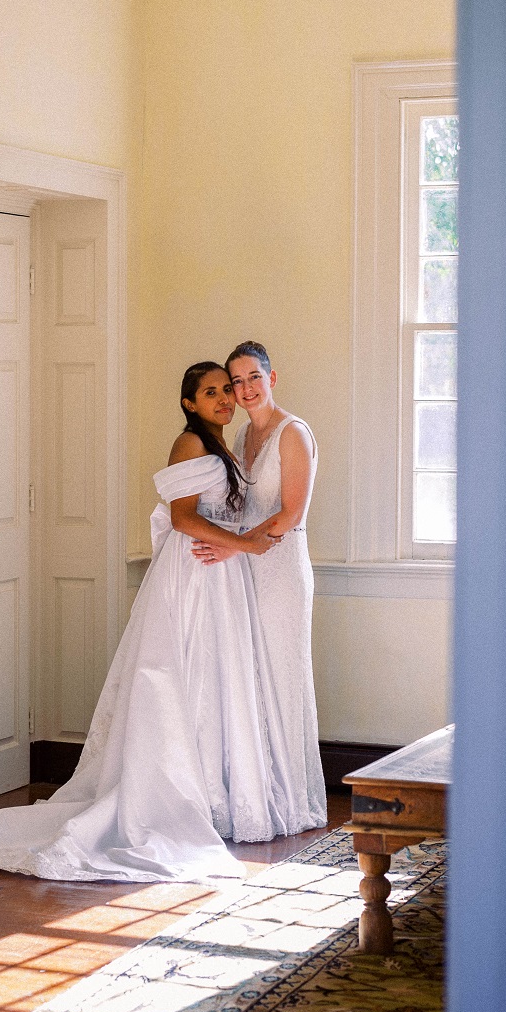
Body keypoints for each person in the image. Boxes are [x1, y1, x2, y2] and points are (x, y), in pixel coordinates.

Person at [0, 362, 288, 882]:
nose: (223, 399)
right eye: (209, 392)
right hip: (195, 574)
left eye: (225, 391)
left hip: (217, 576)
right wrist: (245, 546)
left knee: (210, 680)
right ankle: (170, 795)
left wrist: (239, 547)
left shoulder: (222, 446)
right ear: (189, 403)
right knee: (179, 677)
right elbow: (184, 517)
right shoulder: (189, 444)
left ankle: (216, 795)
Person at [192, 341, 327, 834]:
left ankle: (289, 799)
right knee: (246, 678)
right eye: (235, 382)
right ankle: (252, 793)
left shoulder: (293, 433)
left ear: (272, 379)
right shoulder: (242, 433)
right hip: (242, 567)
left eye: (253, 378)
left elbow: (290, 511)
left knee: (280, 676)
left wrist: (237, 546)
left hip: (279, 567)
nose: (243, 389)